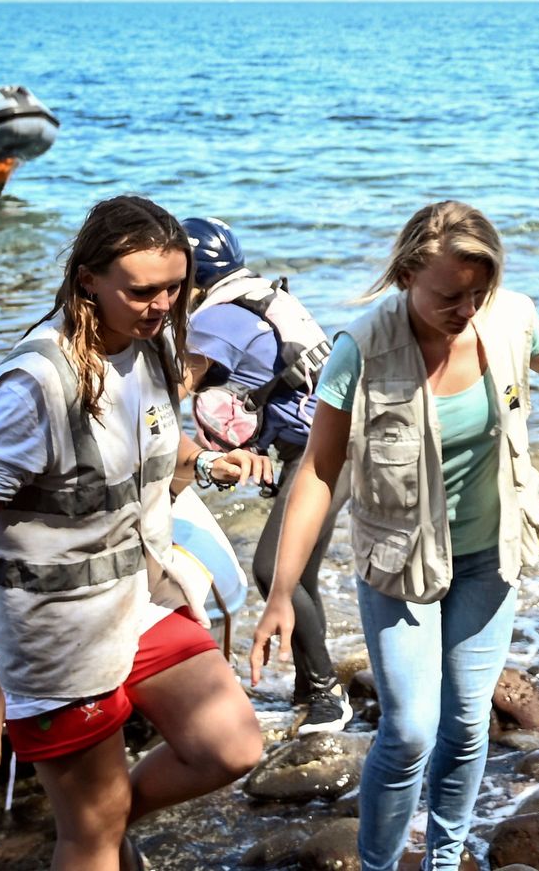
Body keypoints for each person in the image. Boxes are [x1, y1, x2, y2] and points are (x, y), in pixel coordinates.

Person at [0, 195, 271, 870]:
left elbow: (150, 438)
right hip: (55, 635)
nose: (161, 304)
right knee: (89, 836)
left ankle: (103, 821)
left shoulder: (153, 347)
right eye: (143, 291)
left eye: (175, 288)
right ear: (88, 280)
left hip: (135, 602)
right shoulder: (35, 384)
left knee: (232, 746)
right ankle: (90, 834)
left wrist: (206, 460)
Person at [247, 201, 539, 871]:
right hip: (400, 566)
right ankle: (379, 863)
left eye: (478, 292)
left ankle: (445, 856)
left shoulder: (511, 321)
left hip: (489, 557)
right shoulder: (362, 349)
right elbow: (320, 475)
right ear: (410, 272)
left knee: (468, 725)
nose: (465, 308)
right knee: (410, 729)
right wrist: (280, 596)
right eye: (449, 294)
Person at [178, 215, 347, 732]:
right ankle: (308, 684)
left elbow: (169, 392)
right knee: (300, 572)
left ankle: (327, 696)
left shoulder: (209, 323)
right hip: (347, 439)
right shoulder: (262, 295)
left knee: (274, 572)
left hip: (323, 453)